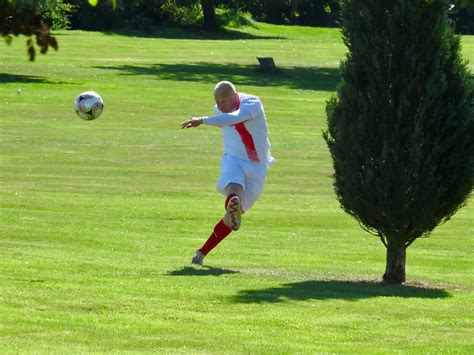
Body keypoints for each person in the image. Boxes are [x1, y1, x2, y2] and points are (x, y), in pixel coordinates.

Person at [181, 81, 275, 266]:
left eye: (225, 100)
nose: (221, 105)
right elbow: (225, 118)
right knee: (234, 189)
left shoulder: (252, 103)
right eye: (218, 101)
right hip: (233, 159)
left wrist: (202, 120)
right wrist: (206, 119)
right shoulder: (218, 111)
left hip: (258, 166)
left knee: (233, 218)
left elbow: (235, 118)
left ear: (235, 95)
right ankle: (233, 200)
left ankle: (201, 253)